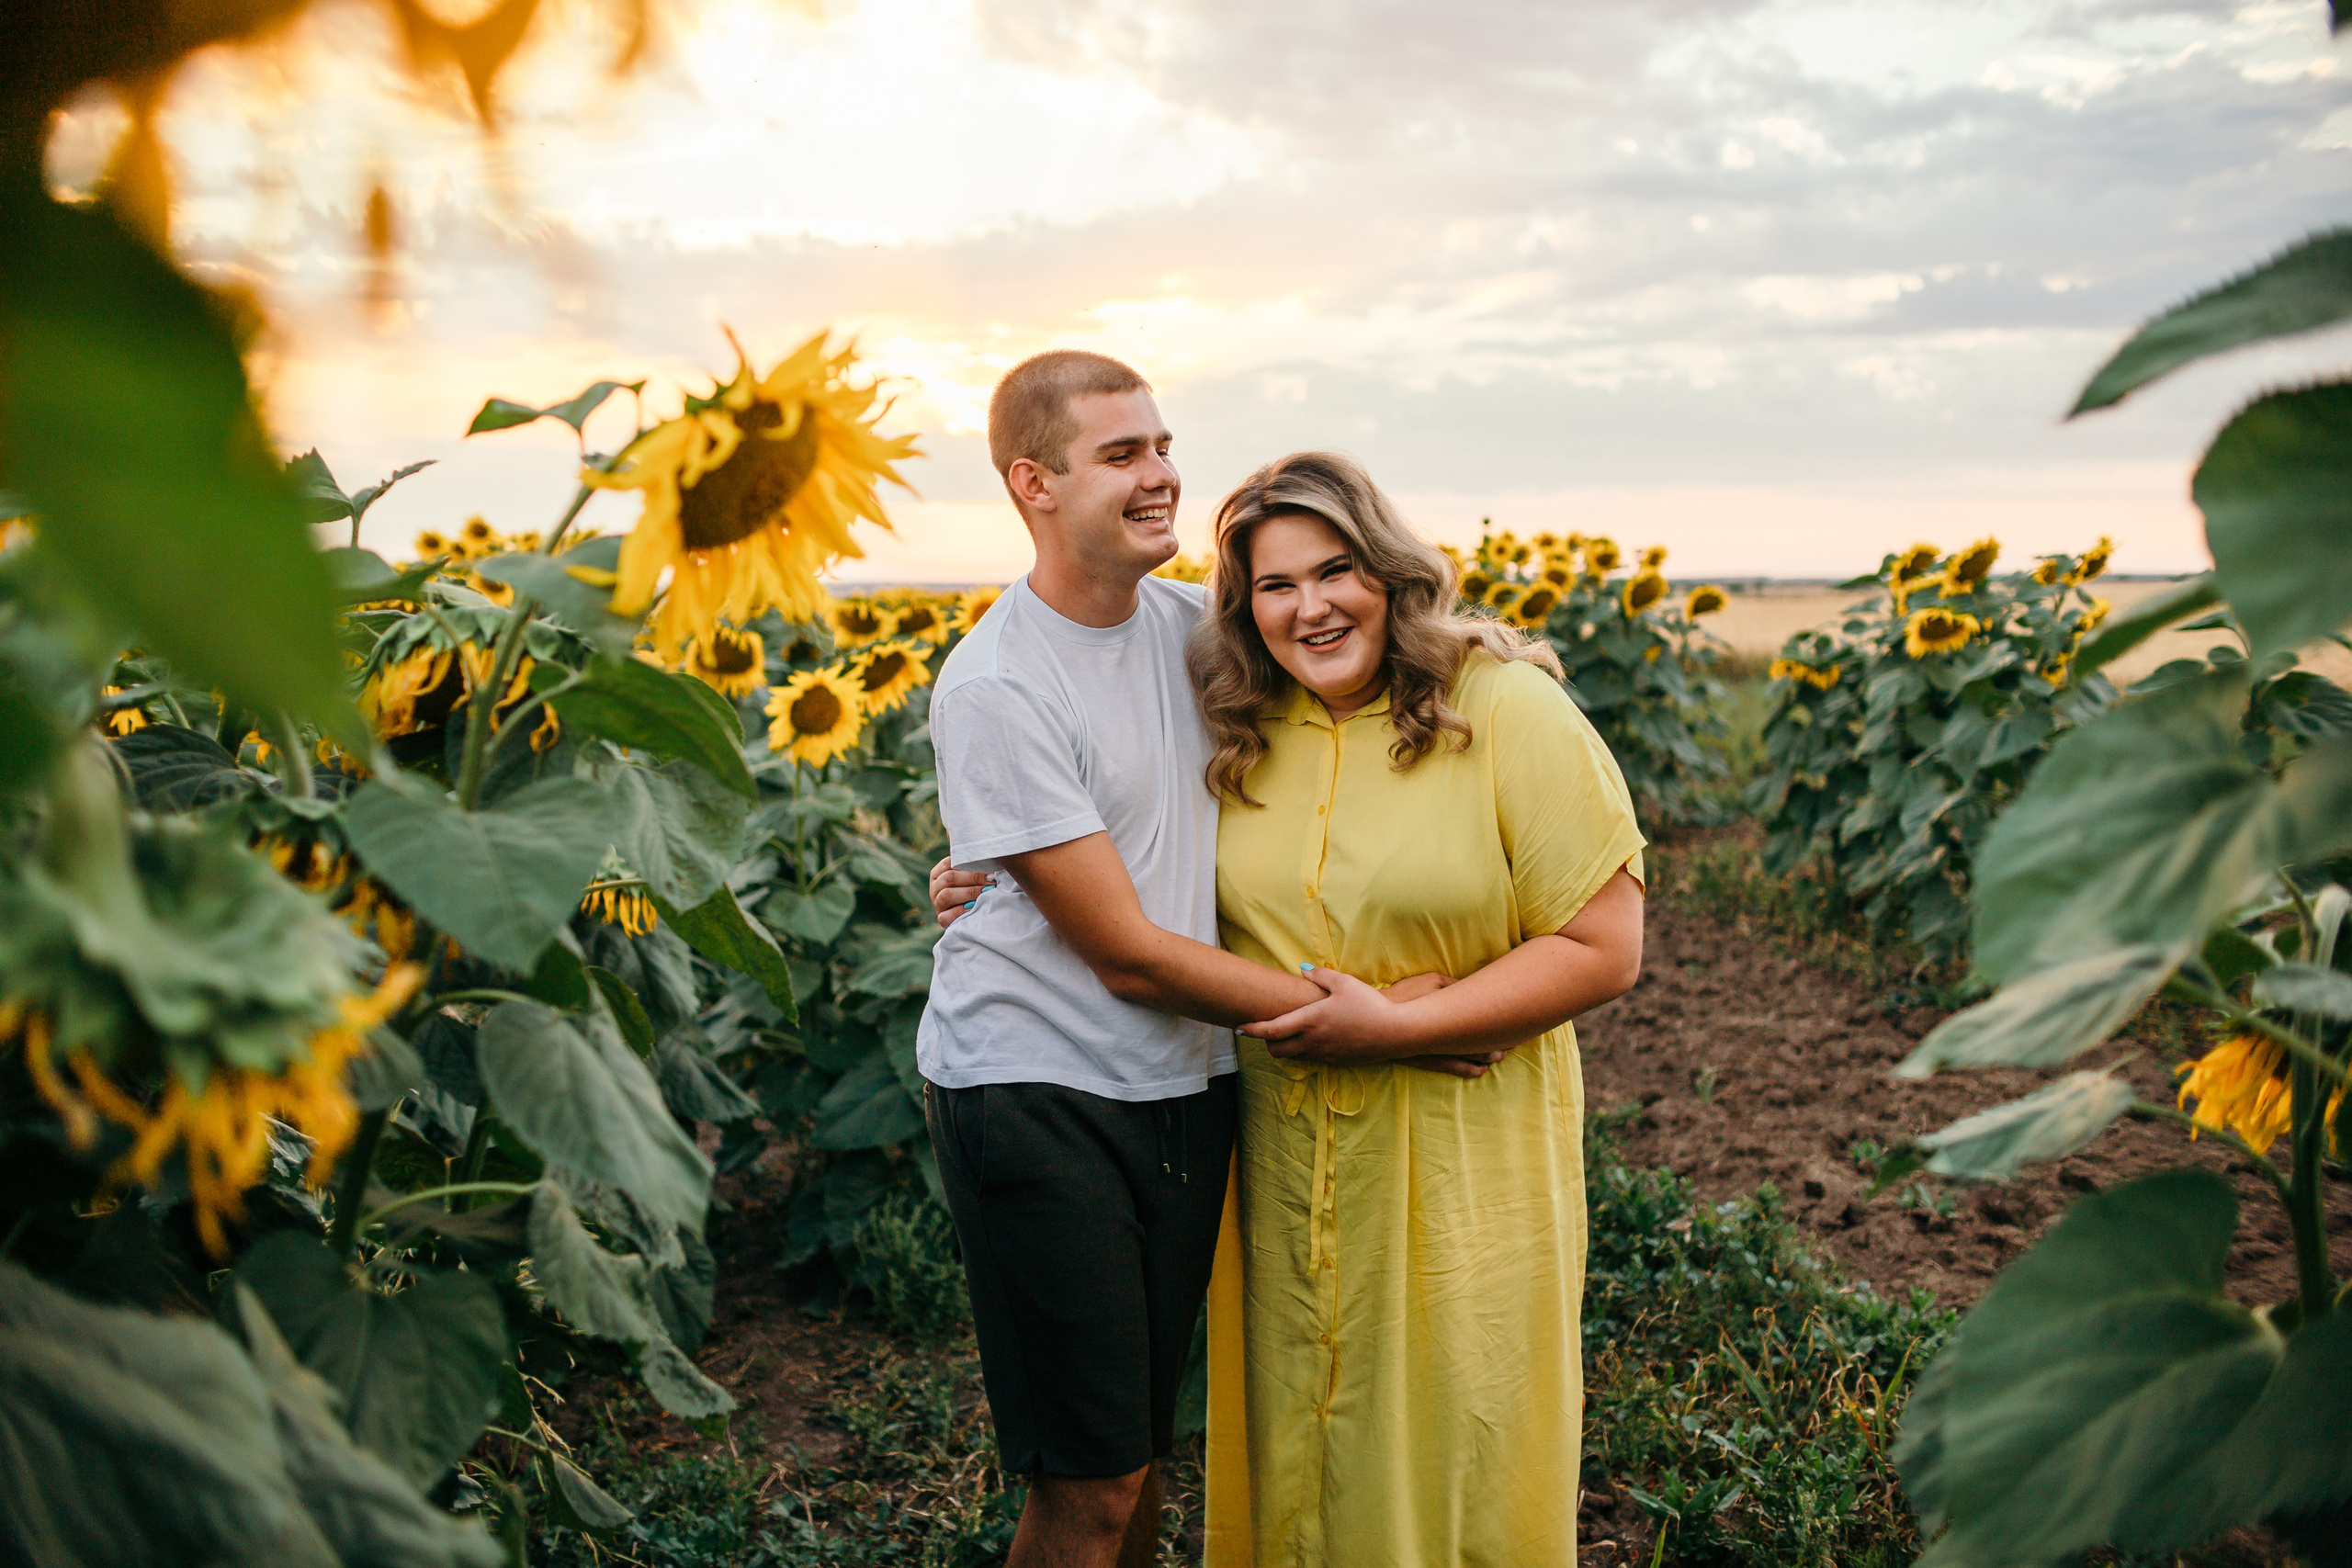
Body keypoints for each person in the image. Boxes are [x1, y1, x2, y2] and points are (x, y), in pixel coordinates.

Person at [917, 355, 1491, 1568]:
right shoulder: (998, 683)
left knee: (1139, 1448)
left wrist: (1508, 669)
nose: (1163, 474)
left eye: (1163, 445)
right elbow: (1124, 953)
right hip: (1039, 1088)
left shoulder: (1197, 633)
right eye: (1121, 454)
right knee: (1091, 1478)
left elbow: (1370, 677)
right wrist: (1380, 1013)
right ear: (1033, 481)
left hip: (1186, 1084)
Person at [1188, 452, 1645, 1567]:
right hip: (1280, 1163)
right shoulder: (1238, 732)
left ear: (1388, 572)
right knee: (1297, 1444)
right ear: (1245, 608)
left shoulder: (1503, 710)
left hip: (1455, 1163)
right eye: (1274, 585)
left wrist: (1402, 1027)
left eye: (1333, 569)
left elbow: (1604, 945)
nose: (1310, 606)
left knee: (1452, 1440)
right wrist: (982, 880)